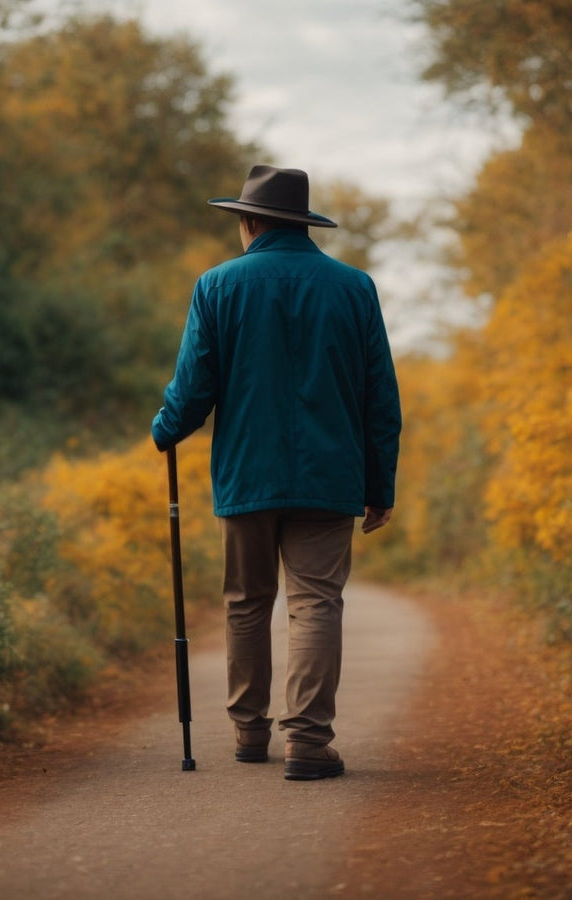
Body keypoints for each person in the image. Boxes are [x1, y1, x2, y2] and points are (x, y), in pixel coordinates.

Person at [151, 164, 401, 781]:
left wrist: (166, 429)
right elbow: (380, 399)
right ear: (301, 223)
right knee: (315, 603)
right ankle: (309, 743)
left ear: (250, 221)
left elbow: (194, 389)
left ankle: (248, 731)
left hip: (247, 475)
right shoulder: (355, 287)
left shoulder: (217, 286)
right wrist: (379, 486)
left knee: (246, 602)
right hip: (330, 475)